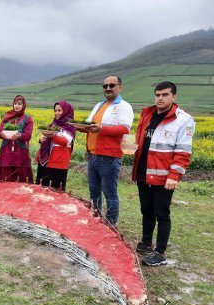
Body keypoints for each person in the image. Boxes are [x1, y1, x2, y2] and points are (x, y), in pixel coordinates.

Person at [132, 81, 195, 266]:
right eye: (157, 95)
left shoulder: (183, 120)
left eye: (165, 95)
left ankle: (160, 253)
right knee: (146, 209)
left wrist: (174, 175)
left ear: (173, 97)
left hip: (164, 176)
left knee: (162, 212)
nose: (160, 98)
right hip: (144, 171)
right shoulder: (148, 115)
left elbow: (184, 152)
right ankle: (146, 242)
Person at [76, 75, 134, 226]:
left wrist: (101, 128)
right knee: (94, 191)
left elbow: (125, 128)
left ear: (120, 87)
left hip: (109, 157)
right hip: (93, 155)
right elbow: (90, 125)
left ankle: (110, 224)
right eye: (105, 86)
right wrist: (81, 127)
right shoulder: (99, 105)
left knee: (109, 193)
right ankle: (95, 219)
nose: (108, 88)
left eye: (112, 85)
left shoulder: (124, 106)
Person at [35, 101, 76, 191]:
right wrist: (41, 139)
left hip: (58, 163)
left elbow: (66, 142)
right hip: (45, 162)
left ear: (66, 111)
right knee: (42, 189)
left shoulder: (70, 127)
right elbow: (46, 139)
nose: (56, 113)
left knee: (56, 191)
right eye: (55, 110)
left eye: (59, 110)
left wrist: (53, 136)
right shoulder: (52, 125)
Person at [0, 95, 34, 183]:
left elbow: (28, 135)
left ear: (23, 105)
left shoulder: (28, 119)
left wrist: (19, 136)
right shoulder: (7, 117)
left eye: (19, 104)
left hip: (21, 152)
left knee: (21, 180)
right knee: (5, 181)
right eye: (15, 103)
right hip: (6, 152)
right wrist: (2, 135)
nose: (17, 106)